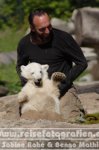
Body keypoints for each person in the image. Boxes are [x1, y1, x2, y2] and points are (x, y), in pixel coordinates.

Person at [16, 9, 88, 122]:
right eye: (42, 29)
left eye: (49, 26)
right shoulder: (25, 44)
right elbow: (20, 66)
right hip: (37, 91)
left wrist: (63, 84)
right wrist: (29, 84)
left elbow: (82, 63)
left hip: (62, 90)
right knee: (30, 118)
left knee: (69, 120)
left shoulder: (63, 38)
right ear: (32, 28)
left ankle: (76, 109)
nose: (48, 31)